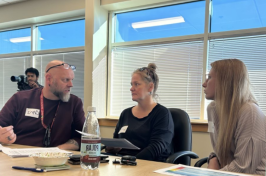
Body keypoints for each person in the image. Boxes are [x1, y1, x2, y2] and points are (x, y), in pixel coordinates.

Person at [0, 60, 85, 150]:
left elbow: (83, 138)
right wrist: (3, 137)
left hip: (57, 160)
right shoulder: (20, 98)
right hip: (19, 157)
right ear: (49, 79)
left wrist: (56, 151)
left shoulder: (74, 103)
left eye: (72, 80)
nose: (71, 85)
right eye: (65, 80)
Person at [202, 59, 266, 175]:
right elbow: (219, 151)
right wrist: (213, 158)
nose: (204, 84)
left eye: (209, 77)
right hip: (226, 172)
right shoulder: (212, 109)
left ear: (225, 82)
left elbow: (244, 168)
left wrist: (211, 174)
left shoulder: (250, 112)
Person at [107, 63, 174, 162]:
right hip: (124, 164)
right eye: (131, 84)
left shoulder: (162, 114)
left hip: (149, 165)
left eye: (136, 84)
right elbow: (116, 141)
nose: (131, 88)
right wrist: (111, 148)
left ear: (150, 87)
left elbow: (156, 148)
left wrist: (131, 161)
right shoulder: (125, 113)